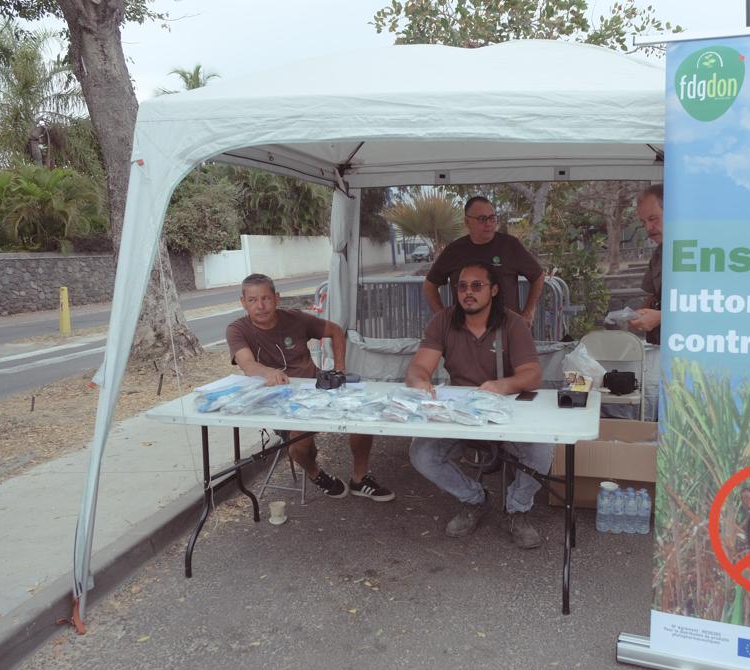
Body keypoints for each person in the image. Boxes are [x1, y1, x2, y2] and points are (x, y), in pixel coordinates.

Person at [406, 262, 551, 549]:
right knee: (422, 454)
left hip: (506, 410)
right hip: (461, 411)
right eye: (462, 286)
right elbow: (417, 369)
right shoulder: (443, 321)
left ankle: (517, 509)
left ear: (494, 290)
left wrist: (502, 386)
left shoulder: (513, 323)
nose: (467, 292)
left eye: (476, 286)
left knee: (542, 450)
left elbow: (532, 375)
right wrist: (421, 382)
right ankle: (475, 499)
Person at [226, 273, 394, 502]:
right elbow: (246, 363)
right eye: (253, 300)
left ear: (277, 298)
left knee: (363, 419)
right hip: (282, 400)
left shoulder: (295, 319)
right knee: (299, 448)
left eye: (265, 298)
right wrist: (269, 372)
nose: (260, 306)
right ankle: (317, 475)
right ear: (243, 302)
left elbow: (335, 331)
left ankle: (360, 478)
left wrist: (340, 369)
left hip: (318, 388)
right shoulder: (237, 329)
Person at [424, 196, 545, 326]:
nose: (489, 223)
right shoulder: (454, 250)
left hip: (506, 329)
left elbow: (538, 276)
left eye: (492, 218)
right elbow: (429, 285)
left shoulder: (509, 245)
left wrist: (529, 310)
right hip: (466, 332)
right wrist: (441, 316)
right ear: (467, 222)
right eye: (482, 219)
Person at [628, 184, 663, 343]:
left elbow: (713, 305)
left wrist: (661, 317)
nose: (648, 228)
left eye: (653, 219)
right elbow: (654, 295)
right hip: (659, 344)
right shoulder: (659, 253)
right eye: (643, 222)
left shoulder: (705, 251)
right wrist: (638, 315)